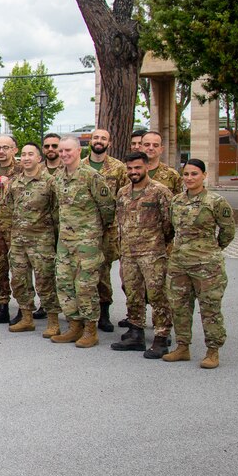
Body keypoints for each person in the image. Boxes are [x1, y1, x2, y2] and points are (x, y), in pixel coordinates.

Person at [163, 159, 236, 369]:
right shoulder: (176, 201)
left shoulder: (216, 201)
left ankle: (213, 351)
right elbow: (173, 230)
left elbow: (228, 231)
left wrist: (211, 250)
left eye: (194, 174)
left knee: (210, 308)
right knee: (178, 306)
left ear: (204, 175)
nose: (189, 178)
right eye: (186, 174)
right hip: (179, 264)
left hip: (207, 266)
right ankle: (182, 346)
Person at [50, 135, 116, 348]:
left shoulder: (91, 176)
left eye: (68, 150)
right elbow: (57, 209)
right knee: (65, 284)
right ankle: (74, 325)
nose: (64, 154)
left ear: (79, 150)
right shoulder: (58, 177)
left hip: (87, 243)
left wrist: (94, 232)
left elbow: (108, 208)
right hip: (65, 243)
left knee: (85, 286)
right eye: (61, 151)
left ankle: (90, 330)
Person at [111, 151, 174, 356]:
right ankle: (135, 332)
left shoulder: (160, 191)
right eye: (129, 168)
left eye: (137, 168)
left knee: (157, 296)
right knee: (133, 294)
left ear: (146, 167)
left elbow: (169, 224)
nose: (133, 172)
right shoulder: (123, 193)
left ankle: (161, 337)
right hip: (128, 254)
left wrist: (158, 244)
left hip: (153, 254)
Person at [5, 142, 61, 337]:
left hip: (41, 241)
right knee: (19, 280)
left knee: (45, 281)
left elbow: (56, 211)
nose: (27, 158)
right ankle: (26, 317)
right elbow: (11, 207)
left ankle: (53, 320)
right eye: (24, 154)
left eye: (31, 154)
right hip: (19, 241)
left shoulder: (50, 182)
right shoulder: (15, 183)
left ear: (39, 158)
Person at [85, 128, 129, 332]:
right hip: (84, 229)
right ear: (90, 141)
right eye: (96, 138)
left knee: (102, 272)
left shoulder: (118, 168)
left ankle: (104, 313)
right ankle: (85, 312)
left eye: (103, 138)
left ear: (109, 143)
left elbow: (125, 196)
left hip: (108, 231)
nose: (99, 141)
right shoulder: (80, 166)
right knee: (84, 272)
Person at [0, 134, 21, 325]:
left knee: (20, 272)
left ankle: (25, 309)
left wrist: (10, 184)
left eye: (5, 147)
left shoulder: (24, 171)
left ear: (14, 150)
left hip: (17, 230)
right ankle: (2, 307)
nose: (1, 151)